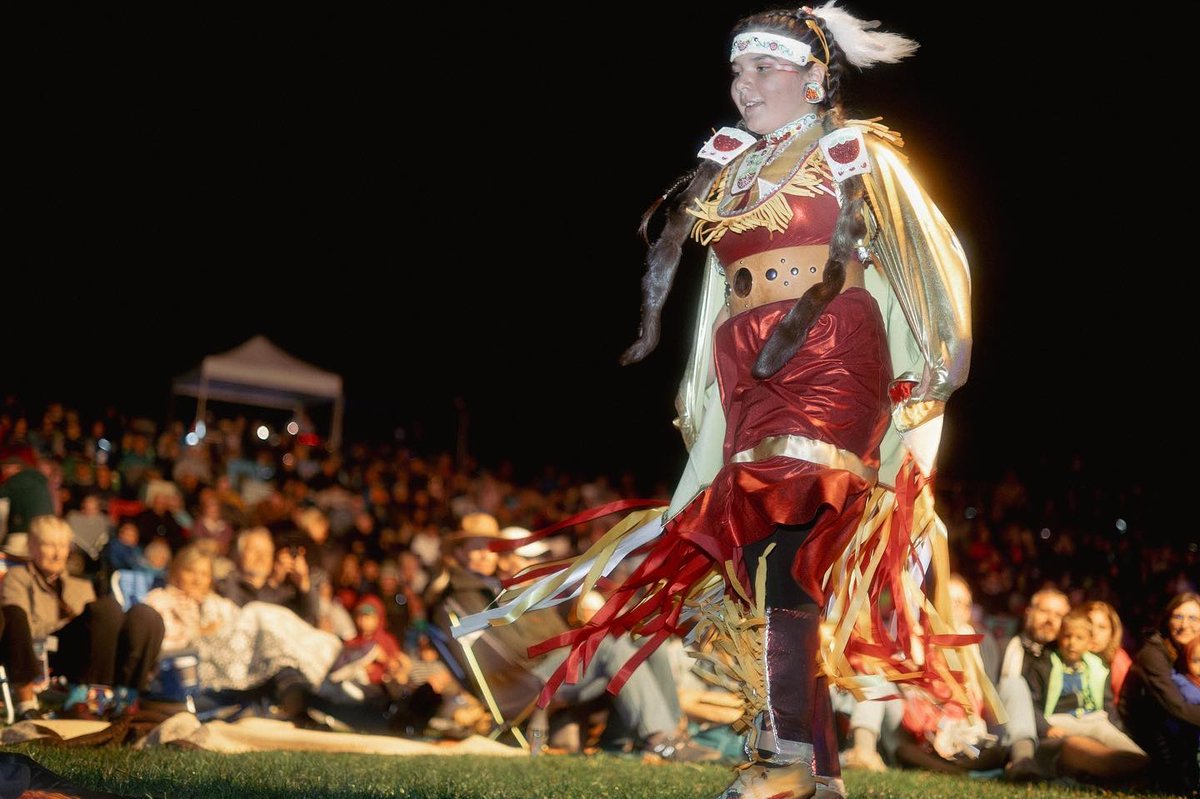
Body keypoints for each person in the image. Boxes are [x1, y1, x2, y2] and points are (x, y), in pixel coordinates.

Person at [459, 6, 976, 798]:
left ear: (814, 78)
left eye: (764, 68)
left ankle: (785, 758)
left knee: (783, 534)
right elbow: (713, 293)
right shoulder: (731, 167)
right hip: (747, 362)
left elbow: (931, 257)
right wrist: (704, 390)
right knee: (765, 555)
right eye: (738, 70)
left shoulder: (855, 154)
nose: (744, 85)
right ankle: (818, 770)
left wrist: (939, 362)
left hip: (829, 346)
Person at [0, 515, 164, 720]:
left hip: (90, 654)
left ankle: (126, 696)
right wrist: (72, 623)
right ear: (32, 547)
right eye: (49, 545)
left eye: (62, 546)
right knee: (106, 608)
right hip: (50, 649)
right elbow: (18, 628)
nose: (57, 554)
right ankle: (86, 695)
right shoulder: (18, 578)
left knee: (145, 615)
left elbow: (101, 628)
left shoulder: (81, 584)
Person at [1024, 608, 1148, 782]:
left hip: (1093, 718)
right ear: (1059, 637)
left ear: (1090, 642)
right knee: (1085, 742)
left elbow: (1107, 704)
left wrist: (1118, 728)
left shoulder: (1098, 667)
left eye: (1079, 638)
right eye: (1067, 636)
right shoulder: (1044, 665)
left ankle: (1142, 763)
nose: (1072, 643)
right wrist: (1046, 728)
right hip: (1058, 720)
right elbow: (1031, 702)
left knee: (1111, 735)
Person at [1119, 591, 1200, 794]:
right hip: (1144, 732)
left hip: (1176, 730)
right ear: (1167, 620)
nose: (1185, 625)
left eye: (1193, 618)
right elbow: (1176, 707)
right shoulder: (1153, 653)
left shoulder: (1190, 653)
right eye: (1178, 616)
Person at [1080, 600, 1132, 704]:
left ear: (1112, 633)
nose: (1094, 632)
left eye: (1102, 627)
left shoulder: (1119, 662)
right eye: (1089, 624)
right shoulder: (1071, 657)